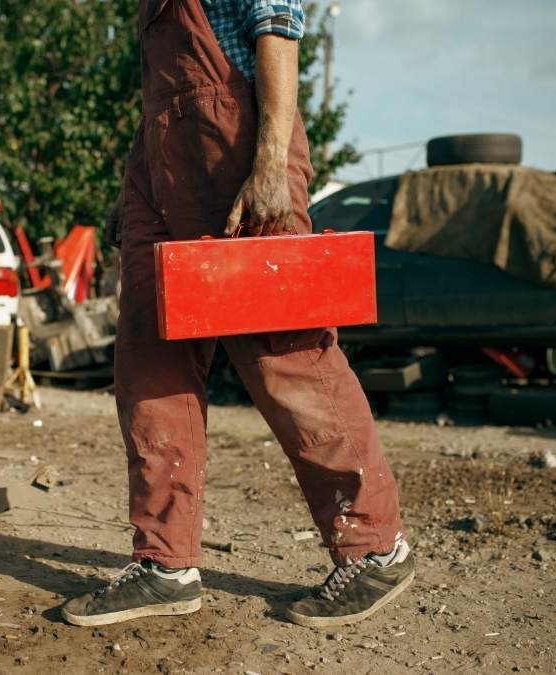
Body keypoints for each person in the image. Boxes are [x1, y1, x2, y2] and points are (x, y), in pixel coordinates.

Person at [62, 0, 413, 629]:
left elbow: (277, 25)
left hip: (236, 148)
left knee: (286, 354)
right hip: (160, 161)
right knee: (150, 360)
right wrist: (134, 184)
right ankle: (166, 565)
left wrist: (271, 161)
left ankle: (374, 549)